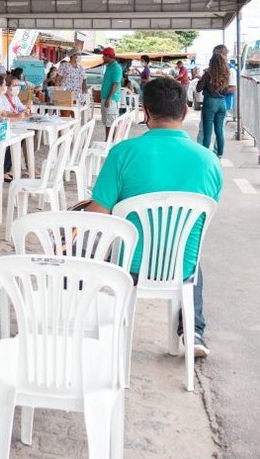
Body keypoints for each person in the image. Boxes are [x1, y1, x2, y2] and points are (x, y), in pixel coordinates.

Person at [87, 77, 222, 357]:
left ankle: (81, 317)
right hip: (180, 269)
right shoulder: (209, 161)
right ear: (185, 112)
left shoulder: (123, 153)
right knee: (192, 258)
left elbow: (96, 217)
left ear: (145, 112)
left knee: (81, 243)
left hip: (128, 267)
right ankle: (193, 331)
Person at [197, 53, 234, 158]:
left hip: (209, 103)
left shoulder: (208, 73)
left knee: (207, 132)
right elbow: (227, 89)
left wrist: (202, 78)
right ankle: (219, 156)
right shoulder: (226, 74)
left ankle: (205, 156)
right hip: (222, 103)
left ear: (211, 62)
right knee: (219, 131)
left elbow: (198, 88)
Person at [100, 47, 123, 138]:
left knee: (111, 122)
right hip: (106, 98)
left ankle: (111, 141)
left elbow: (115, 84)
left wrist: (109, 98)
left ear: (108, 56)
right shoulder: (109, 66)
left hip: (111, 99)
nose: (102, 58)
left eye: (103, 56)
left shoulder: (116, 68)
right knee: (107, 121)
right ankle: (107, 140)